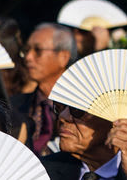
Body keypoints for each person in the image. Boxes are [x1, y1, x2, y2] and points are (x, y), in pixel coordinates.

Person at [12, 23, 78, 155]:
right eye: (26, 50)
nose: (28, 57)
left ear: (63, 57)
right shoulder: (13, 105)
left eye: (38, 50)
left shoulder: (81, 110)